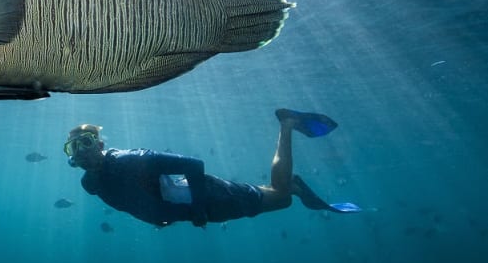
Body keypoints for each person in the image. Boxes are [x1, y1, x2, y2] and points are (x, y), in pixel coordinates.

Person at [64, 109, 360, 228]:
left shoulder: (131, 159)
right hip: (199, 208)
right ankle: (291, 185)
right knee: (277, 197)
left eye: (87, 142)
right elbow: (133, 200)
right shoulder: (91, 184)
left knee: (281, 198)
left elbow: (193, 165)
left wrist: (196, 208)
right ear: (71, 158)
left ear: (100, 144)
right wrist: (162, 217)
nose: (82, 151)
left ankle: (287, 125)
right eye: (74, 148)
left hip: (211, 198)